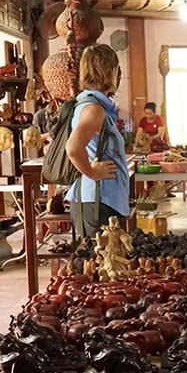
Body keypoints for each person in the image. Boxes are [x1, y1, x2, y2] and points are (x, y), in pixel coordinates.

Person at [65, 44, 129, 237]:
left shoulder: (94, 105)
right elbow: (73, 148)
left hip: (102, 200)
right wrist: (92, 172)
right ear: (109, 71)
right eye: (117, 70)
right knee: (104, 262)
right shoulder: (94, 109)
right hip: (98, 201)